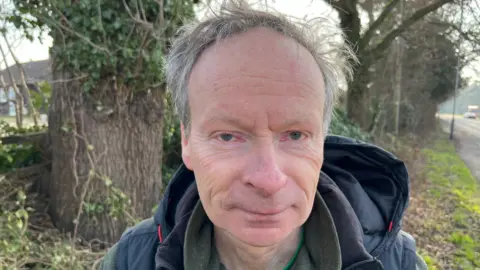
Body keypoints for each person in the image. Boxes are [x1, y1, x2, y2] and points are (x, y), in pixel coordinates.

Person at [100, 1, 428, 269]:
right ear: (187, 141)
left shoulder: (399, 263)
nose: (269, 180)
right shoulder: (129, 261)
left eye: (296, 135)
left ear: (322, 142)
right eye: (227, 136)